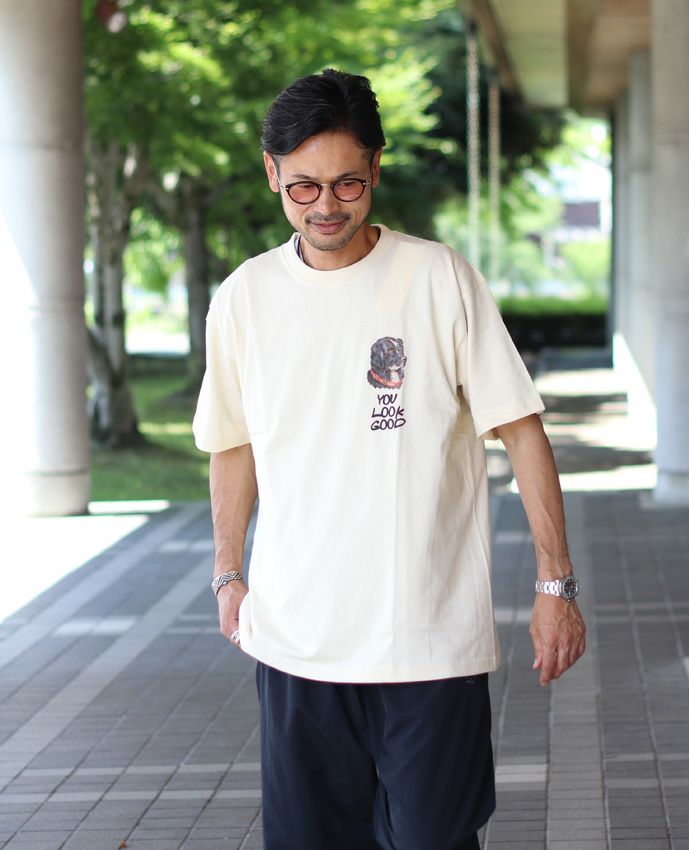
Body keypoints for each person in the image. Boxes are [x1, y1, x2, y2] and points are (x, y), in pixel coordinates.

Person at [193, 68, 586, 850]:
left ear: (376, 165)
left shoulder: (438, 278)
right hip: (298, 646)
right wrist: (228, 572)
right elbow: (232, 442)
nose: (326, 205)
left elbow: (521, 430)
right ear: (272, 172)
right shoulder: (244, 297)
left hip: (428, 645)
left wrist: (556, 585)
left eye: (347, 182)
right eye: (303, 187)